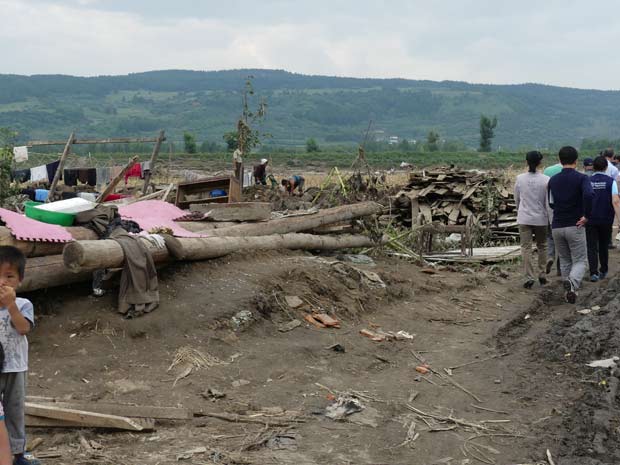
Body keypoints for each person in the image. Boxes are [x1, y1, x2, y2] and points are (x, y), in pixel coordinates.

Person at [0, 247, 39, 465]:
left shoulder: (23, 304)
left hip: (15, 368)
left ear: (20, 280)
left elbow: (24, 328)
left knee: (14, 412)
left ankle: (17, 454)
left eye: (9, 276)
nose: (2, 282)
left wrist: (11, 306)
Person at [548, 146, 593, 303]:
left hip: (557, 226)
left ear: (560, 160)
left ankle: (569, 292)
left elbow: (551, 203)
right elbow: (588, 194)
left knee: (565, 260)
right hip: (575, 225)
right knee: (581, 260)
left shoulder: (552, 180)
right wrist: (586, 215)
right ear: (576, 161)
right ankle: (572, 282)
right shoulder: (582, 178)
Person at [514, 151, 550, 288]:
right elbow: (548, 202)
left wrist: (520, 210)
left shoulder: (520, 178)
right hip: (541, 218)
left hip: (524, 217)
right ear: (540, 163)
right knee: (543, 246)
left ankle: (529, 277)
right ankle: (542, 274)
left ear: (526, 162)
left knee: (526, 248)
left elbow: (517, 199)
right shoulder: (546, 179)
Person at [586, 156, 620, 281]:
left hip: (590, 219)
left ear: (593, 167)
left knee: (591, 246)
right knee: (603, 245)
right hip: (606, 219)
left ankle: (593, 273)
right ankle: (603, 270)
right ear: (606, 167)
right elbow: (615, 201)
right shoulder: (611, 182)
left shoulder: (587, 181)